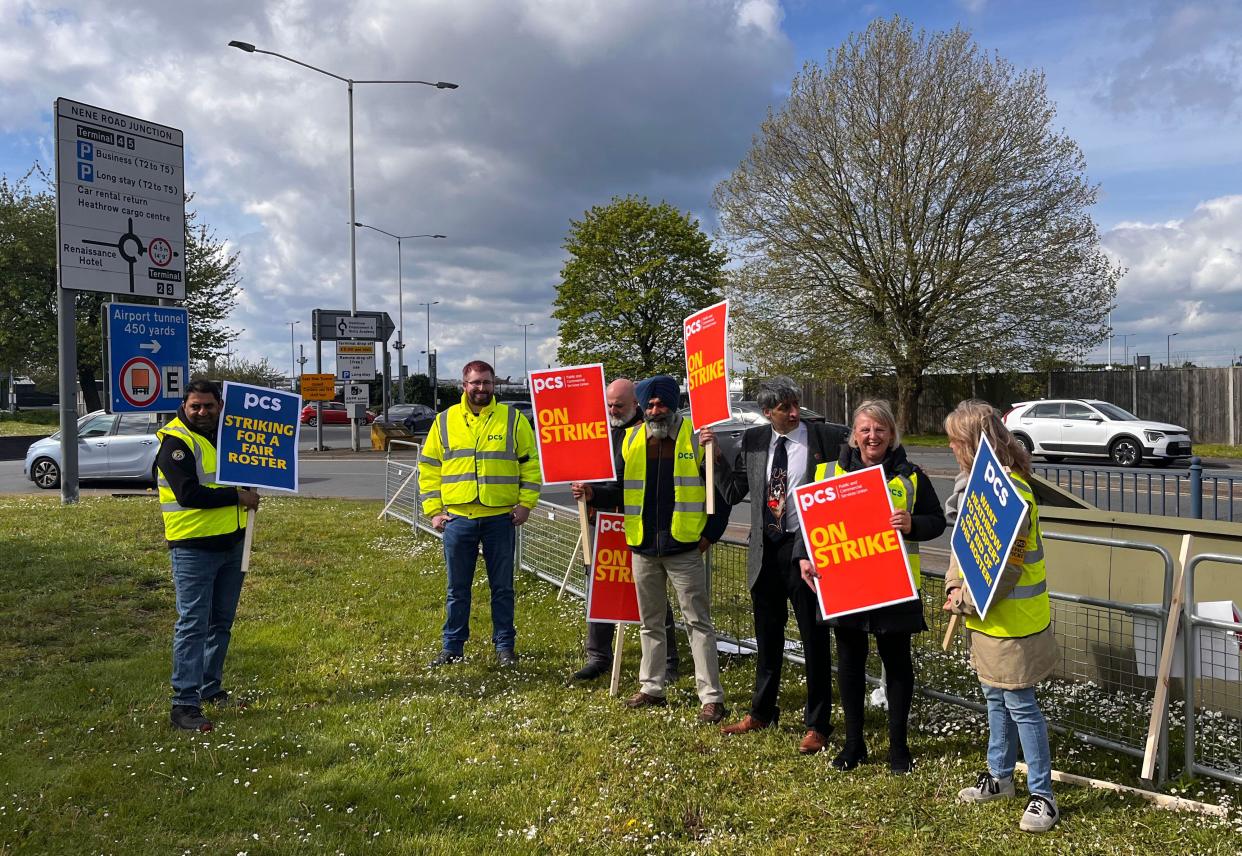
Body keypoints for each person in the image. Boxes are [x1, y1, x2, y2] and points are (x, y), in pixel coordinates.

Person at [797, 399, 945, 773]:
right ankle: (854, 744)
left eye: (880, 429)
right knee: (849, 664)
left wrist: (914, 524)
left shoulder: (911, 476)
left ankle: (898, 748)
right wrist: (803, 555)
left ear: (892, 435)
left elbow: (937, 521)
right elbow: (806, 521)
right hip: (845, 585)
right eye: (865, 429)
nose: (872, 436)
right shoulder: (826, 472)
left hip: (893, 587)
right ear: (853, 435)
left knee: (897, 664)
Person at [571, 375, 729, 723]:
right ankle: (652, 687)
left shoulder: (696, 437)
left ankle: (712, 698)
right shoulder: (631, 440)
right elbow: (621, 490)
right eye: (651, 405)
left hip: (684, 547)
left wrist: (709, 534)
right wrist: (593, 494)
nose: (656, 410)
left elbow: (725, 492)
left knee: (697, 623)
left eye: (662, 404)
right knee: (650, 622)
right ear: (643, 407)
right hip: (642, 546)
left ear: (674, 405)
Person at [703, 376, 846, 755]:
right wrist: (715, 460)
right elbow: (734, 492)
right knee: (768, 638)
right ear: (767, 413)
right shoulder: (753, 442)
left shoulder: (824, 440)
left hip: (807, 553)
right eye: (785, 407)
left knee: (815, 640)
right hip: (765, 552)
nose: (795, 412)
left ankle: (817, 724)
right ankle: (762, 712)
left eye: (796, 404)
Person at [943, 400, 1059, 834]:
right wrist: (955, 585)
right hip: (984, 622)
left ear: (974, 444)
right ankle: (1000, 777)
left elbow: (1007, 567)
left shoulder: (1014, 493)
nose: (952, 448)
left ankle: (1043, 797)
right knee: (995, 700)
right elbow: (964, 544)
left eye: (957, 440)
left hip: (1015, 624)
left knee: (1021, 706)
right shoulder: (977, 487)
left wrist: (968, 599)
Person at [418, 360, 541, 667]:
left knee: (503, 587)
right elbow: (429, 469)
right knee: (457, 588)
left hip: (501, 518)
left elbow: (531, 464)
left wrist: (526, 504)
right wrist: (434, 511)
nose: (481, 388)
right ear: (464, 385)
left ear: (493, 384)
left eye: (486, 382)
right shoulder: (444, 421)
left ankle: (505, 647)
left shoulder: (513, 419)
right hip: (458, 519)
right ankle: (452, 646)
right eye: (475, 383)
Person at [156, 379, 261, 733]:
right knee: (193, 625)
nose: (202, 412)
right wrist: (238, 497)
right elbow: (188, 494)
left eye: (209, 406)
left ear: (220, 406)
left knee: (221, 623)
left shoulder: (228, 436)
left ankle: (211, 688)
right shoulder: (175, 443)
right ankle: (184, 705)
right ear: (184, 407)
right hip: (193, 549)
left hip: (231, 544)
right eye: (195, 406)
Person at [572, 377, 682, 683]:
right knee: (600, 587)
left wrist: (596, 493)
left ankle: (668, 661)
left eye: (618, 405)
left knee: (652, 591)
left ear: (636, 403)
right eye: (608, 404)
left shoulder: (649, 434)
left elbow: (627, 487)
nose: (612, 410)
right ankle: (598, 655)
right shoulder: (601, 433)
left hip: (636, 524)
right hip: (600, 521)